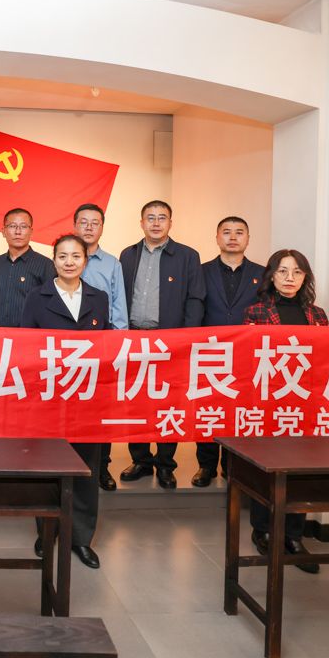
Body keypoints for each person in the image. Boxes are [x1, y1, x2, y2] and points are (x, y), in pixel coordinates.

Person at [21, 234, 109, 569]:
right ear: (53, 260)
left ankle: (81, 538)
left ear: (85, 260)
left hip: (88, 397)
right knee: (47, 466)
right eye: (62, 256)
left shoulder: (99, 298)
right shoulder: (37, 297)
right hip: (49, 396)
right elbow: (26, 347)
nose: (69, 262)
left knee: (86, 467)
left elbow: (106, 346)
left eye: (76, 256)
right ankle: (46, 532)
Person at [246, 249, 328, 574]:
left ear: (305, 277)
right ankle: (263, 530)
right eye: (282, 271)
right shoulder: (256, 312)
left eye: (297, 272)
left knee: (300, 470)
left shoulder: (317, 315)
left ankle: (294, 535)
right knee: (266, 467)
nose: (290, 278)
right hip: (268, 402)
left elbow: (324, 360)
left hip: (304, 403)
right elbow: (247, 358)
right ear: (271, 275)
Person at [118, 200, 205, 489]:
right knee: (136, 402)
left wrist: (186, 338)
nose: (156, 223)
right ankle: (141, 460)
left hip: (170, 341)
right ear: (141, 222)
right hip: (134, 338)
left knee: (169, 403)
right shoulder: (128, 255)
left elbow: (195, 299)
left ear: (170, 223)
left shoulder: (187, 256)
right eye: (150, 218)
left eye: (162, 218)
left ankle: (166, 464)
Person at [193, 216, 265, 488]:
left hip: (247, 355)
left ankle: (233, 465)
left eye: (239, 232)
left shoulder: (263, 273)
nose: (233, 237)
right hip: (208, 351)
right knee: (207, 409)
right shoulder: (200, 271)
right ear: (217, 237)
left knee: (239, 410)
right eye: (226, 232)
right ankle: (206, 466)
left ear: (248, 239)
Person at [74, 203, 128, 492]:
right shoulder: (61, 257)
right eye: (83, 222)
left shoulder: (112, 264)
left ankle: (101, 467)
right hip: (67, 351)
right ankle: (69, 464)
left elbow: (119, 306)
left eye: (95, 222)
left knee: (100, 410)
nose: (89, 227)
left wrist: (117, 347)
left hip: (101, 348)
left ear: (102, 228)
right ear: (75, 226)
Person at [0, 207, 55, 328]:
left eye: (23, 226)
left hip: (29, 334)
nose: (18, 231)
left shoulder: (45, 264)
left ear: (31, 231)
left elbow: (51, 304)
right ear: (3, 231)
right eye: (12, 226)